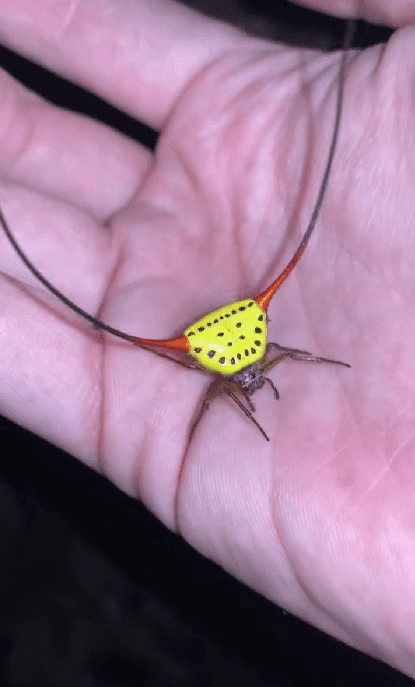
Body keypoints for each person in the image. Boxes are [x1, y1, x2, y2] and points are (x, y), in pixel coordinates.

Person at [0, 0, 414, 678]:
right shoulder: (238, 371)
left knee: (115, 325)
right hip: (218, 335)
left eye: (250, 387)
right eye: (247, 389)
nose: (252, 390)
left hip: (222, 335)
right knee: (114, 326)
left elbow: (254, 373)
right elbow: (230, 388)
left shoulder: (245, 366)